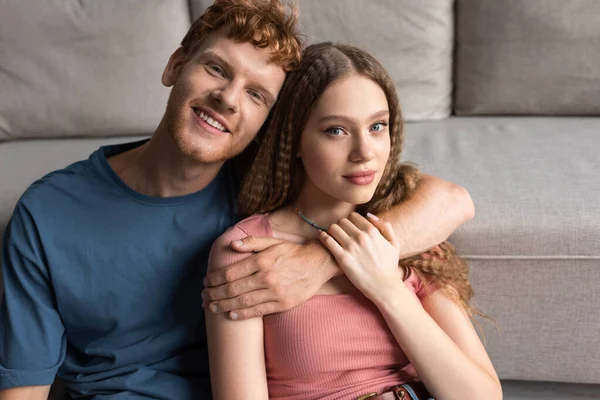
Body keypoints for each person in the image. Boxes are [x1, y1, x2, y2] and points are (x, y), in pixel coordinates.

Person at [0, 1, 475, 399]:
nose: (228, 99)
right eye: (215, 68)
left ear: (272, 125)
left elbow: (448, 200)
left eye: (256, 94)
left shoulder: (262, 187)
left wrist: (319, 261)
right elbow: (24, 387)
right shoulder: (49, 214)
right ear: (174, 65)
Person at [206, 42, 502, 400]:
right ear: (293, 139)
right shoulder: (246, 251)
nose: (365, 152)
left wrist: (387, 289)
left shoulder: (410, 229)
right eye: (337, 131)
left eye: (377, 126)